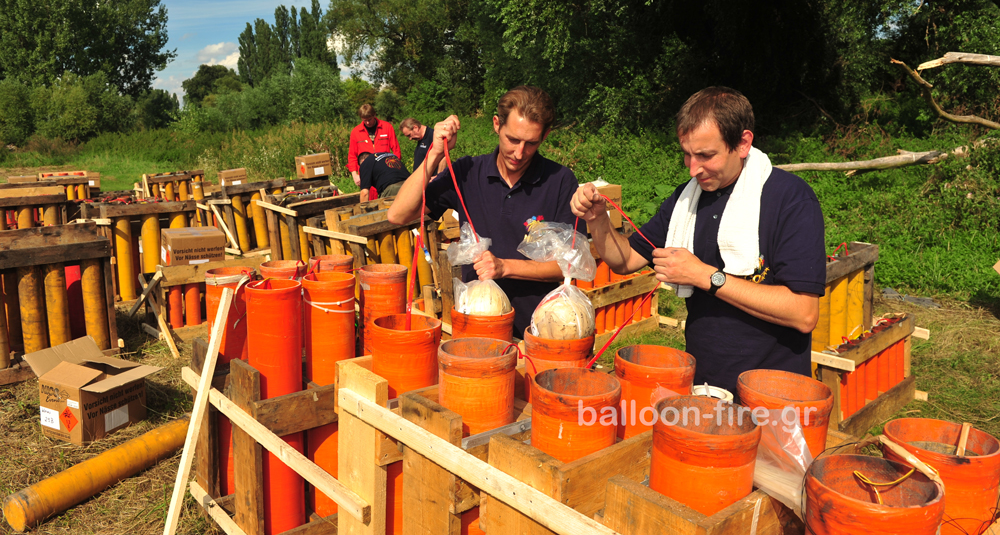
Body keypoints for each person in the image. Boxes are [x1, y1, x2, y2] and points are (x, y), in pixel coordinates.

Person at [570, 86, 825, 395]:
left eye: (705, 155)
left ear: (743, 143)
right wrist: (597, 220)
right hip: (704, 385)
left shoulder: (790, 200)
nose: (693, 169)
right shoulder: (685, 202)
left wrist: (705, 276)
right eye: (687, 154)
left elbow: (804, 313)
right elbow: (625, 260)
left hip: (772, 395)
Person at [388, 86, 581, 337]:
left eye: (531, 143)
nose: (519, 153)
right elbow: (398, 215)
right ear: (497, 125)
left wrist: (504, 267)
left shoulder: (560, 181)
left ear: (545, 136)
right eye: (512, 139)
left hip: (539, 331)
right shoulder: (468, 171)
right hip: (477, 324)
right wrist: (434, 153)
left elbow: (568, 265)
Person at [348, 102, 401, 198]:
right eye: (365, 120)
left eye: (369, 119)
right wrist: (354, 175)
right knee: (369, 201)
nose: (367, 123)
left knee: (388, 199)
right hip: (366, 173)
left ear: (374, 115)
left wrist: (395, 168)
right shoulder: (356, 132)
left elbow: (396, 150)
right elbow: (352, 155)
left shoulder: (387, 127)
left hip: (385, 171)